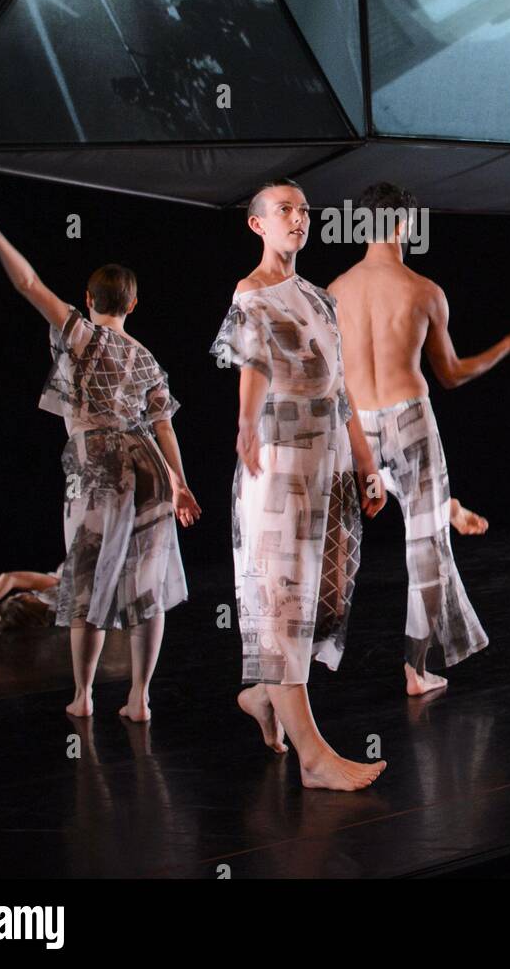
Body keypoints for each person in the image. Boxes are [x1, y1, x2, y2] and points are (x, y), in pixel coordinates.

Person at [0, 181, 200, 721]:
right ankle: (139, 697)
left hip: (98, 460)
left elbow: (27, 282)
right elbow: (164, 429)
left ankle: (84, 695)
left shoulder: (79, 331)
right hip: (151, 467)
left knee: (87, 580)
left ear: (90, 300)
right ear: (133, 304)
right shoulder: (148, 360)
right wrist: (181, 484)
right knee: (147, 586)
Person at [328, 181, 510, 696]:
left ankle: (295, 673)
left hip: (358, 422)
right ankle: (415, 669)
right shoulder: (424, 291)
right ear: (405, 225)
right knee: (424, 544)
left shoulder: (334, 291)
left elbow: (332, 380)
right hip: (410, 416)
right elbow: (451, 373)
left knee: (337, 542)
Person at [211, 179, 387, 791]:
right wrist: (245, 427)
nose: (299, 218)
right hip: (280, 462)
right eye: (284, 209)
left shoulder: (320, 297)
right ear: (257, 224)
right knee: (284, 600)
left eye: (304, 210)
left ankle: (262, 694)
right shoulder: (252, 291)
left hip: (329, 461)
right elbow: (254, 362)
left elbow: (342, 391)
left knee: (326, 596)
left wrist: (367, 463)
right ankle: (313, 757)